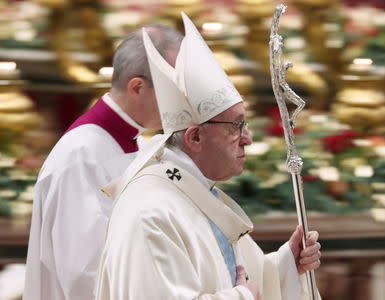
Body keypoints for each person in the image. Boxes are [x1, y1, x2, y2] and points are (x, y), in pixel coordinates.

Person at [95, 12, 321, 300]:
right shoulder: (150, 211)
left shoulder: (196, 193)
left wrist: (288, 263)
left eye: (246, 125)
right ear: (195, 137)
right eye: (236, 127)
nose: (247, 139)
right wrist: (244, 298)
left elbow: (233, 273)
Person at [23, 25, 184, 300]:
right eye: (174, 88)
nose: (182, 99)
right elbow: (84, 273)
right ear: (137, 87)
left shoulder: (140, 143)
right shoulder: (80, 156)